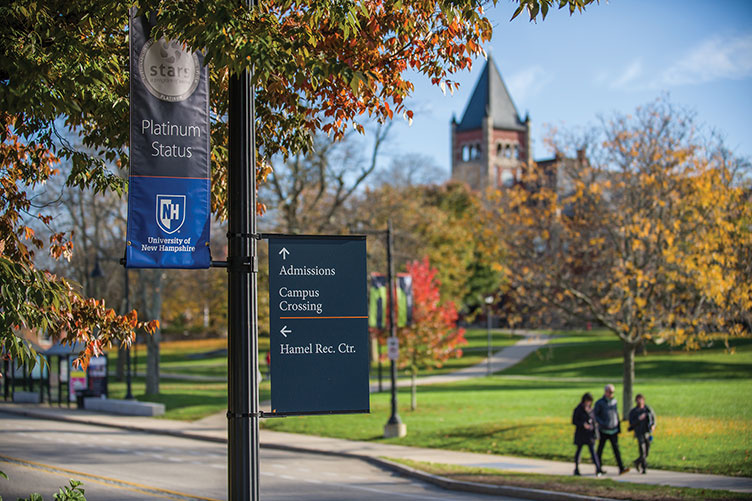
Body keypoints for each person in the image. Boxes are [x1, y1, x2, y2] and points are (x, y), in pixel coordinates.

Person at [594, 383, 628, 474]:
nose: (612, 394)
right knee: (600, 450)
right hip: (603, 430)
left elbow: (616, 414)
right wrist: (602, 423)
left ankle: (621, 468)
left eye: (613, 392)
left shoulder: (614, 402)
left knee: (616, 450)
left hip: (614, 430)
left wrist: (618, 426)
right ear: (605, 392)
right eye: (610, 392)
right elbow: (595, 415)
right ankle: (598, 468)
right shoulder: (599, 403)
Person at [572, 392, 602, 476]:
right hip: (581, 433)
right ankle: (576, 468)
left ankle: (598, 468)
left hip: (590, 434)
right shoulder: (578, 409)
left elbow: (594, 421)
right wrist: (582, 424)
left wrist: (594, 429)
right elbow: (574, 421)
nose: (588, 403)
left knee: (593, 452)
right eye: (587, 401)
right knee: (579, 451)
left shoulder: (591, 409)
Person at [628, 394, 656, 474]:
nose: (639, 401)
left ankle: (637, 461)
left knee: (647, 451)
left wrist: (653, 425)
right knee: (642, 451)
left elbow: (653, 419)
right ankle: (644, 468)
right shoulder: (634, 412)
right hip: (639, 432)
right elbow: (631, 423)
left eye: (641, 399)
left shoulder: (648, 410)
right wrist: (639, 419)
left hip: (647, 432)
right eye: (638, 399)